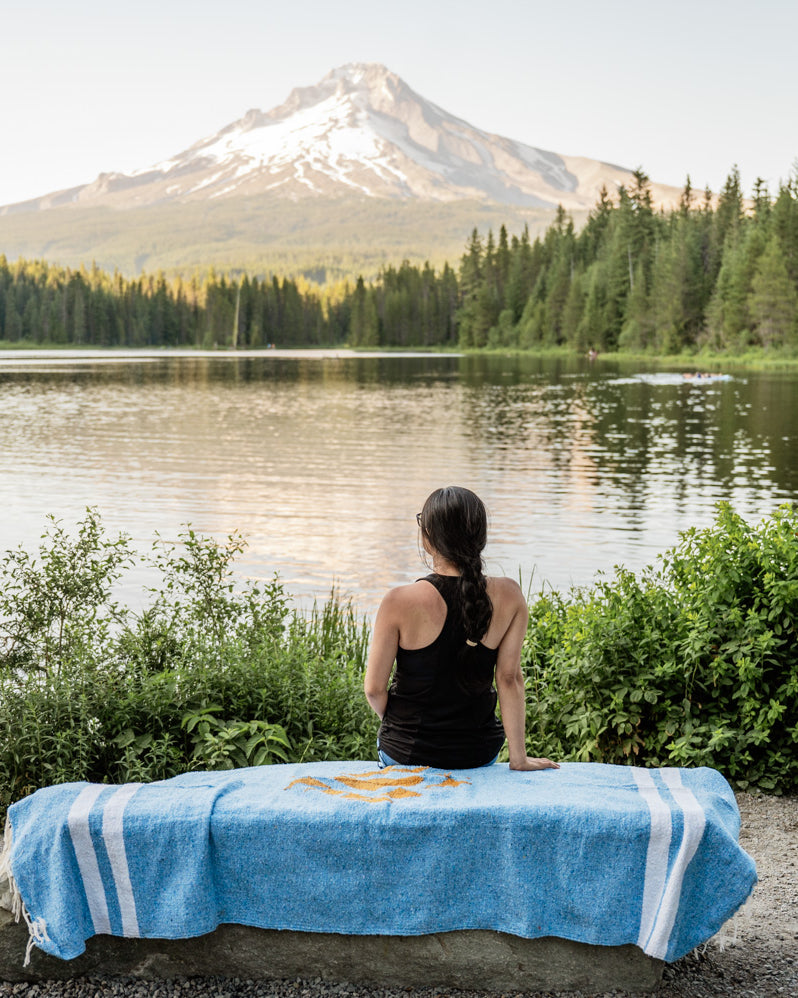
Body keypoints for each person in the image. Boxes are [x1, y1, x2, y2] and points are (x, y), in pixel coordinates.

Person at [364, 486, 559, 772]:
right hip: (477, 754)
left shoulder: (398, 601)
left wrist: (400, 727)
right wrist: (519, 758)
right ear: (480, 536)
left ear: (428, 538)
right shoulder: (510, 595)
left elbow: (373, 690)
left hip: (406, 753)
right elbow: (509, 679)